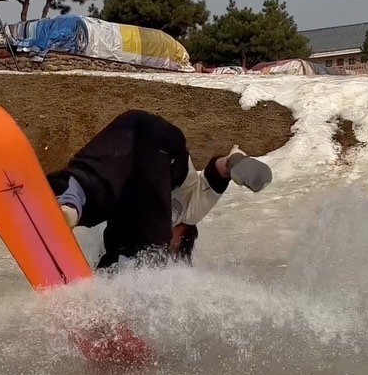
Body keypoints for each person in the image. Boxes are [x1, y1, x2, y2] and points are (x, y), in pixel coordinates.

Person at [47, 109, 271, 269]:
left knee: (97, 180)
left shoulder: (136, 213)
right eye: (176, 247)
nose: (172, 247)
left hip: (130, 125)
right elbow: (215, 173)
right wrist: (235, 162)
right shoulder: (190, 213)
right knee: (150, 246)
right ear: (183, 236)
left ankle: (68, 203)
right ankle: (128, 283)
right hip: (168, 148)